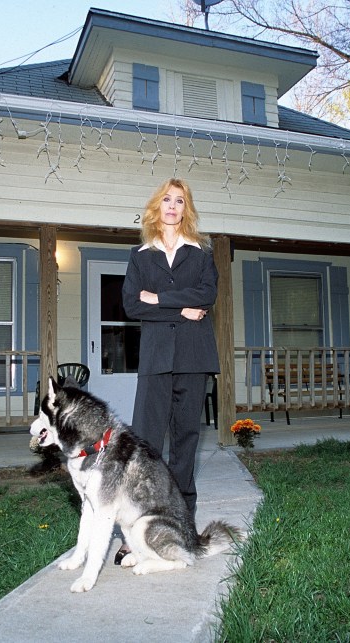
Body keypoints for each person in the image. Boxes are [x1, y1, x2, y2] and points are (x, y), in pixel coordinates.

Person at [121, 177, 220, 525]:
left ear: (186, 209)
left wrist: (159, 299)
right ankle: (140, 522)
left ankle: (181, 520)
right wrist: (180, 309)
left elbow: (206, 295)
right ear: (156, 207)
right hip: (156, 358)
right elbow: (132, 306)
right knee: (146, 442)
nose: (173, 206)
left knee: (185, 440)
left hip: (194, 356)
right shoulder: (140, 257)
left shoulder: (201, 253)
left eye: (180, 200)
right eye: (167, 199)